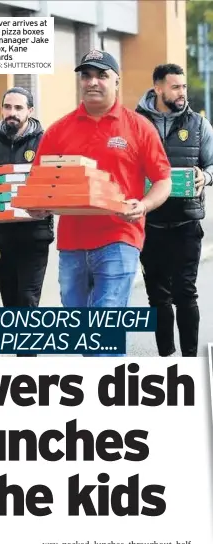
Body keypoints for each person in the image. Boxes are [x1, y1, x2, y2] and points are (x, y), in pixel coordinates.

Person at [29, 50, 172, 356]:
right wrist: (37, 206)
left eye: (101, 75)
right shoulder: (58, 130)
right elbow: (39, 182)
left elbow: (163, 180)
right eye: (86, 75)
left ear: (116, 81)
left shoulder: (138, 127)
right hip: (72, 242)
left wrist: (144, 205)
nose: (93, 82)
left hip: (119, 236)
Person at [136, 63, 213, 357]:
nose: (182, 93)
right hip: (149, 225)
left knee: (185, 293)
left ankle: (190, 361)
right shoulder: (136, 123)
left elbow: (211, 165)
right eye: (175, 87)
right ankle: (166, 360)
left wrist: (203, 177)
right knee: (157, 298)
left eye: (184, 87)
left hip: (186, 225)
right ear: (158, 88)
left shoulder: (199, 125)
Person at [0, 87, 54, 356]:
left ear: (30, 112)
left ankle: (27, 366)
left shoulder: (45, 143)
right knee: (10, 303)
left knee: (28, 301)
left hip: (35, 236)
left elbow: (56, 185)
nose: (12, 113)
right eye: (8, 107)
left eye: (18, 108)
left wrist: (50, 205)